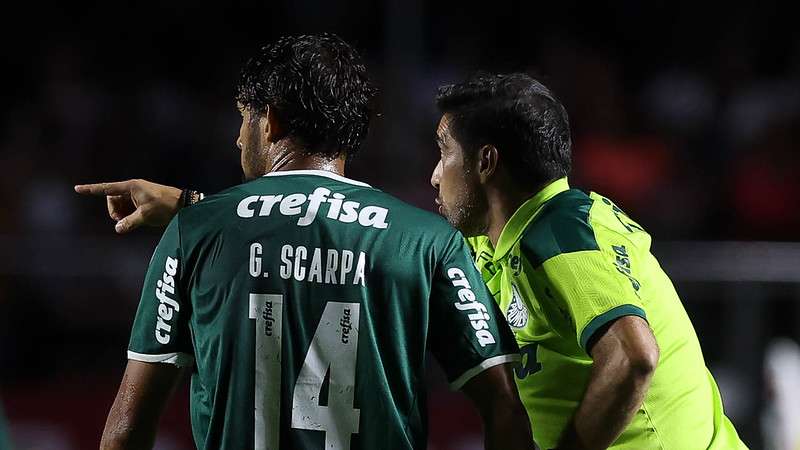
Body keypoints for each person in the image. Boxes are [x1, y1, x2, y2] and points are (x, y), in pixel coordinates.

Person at [79, 35, 532, 450]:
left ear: (270, 120)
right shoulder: (427, 241)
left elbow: (126, 427)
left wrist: (193, 208)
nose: (238, 138)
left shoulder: (193, 231)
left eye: (244, 119)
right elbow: (506, 408)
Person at [430, 73, 747, 449]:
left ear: (486, 162)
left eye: (444, 151)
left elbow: (634, 356)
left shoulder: (560, 230)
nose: (435, 176)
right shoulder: (500, 246)